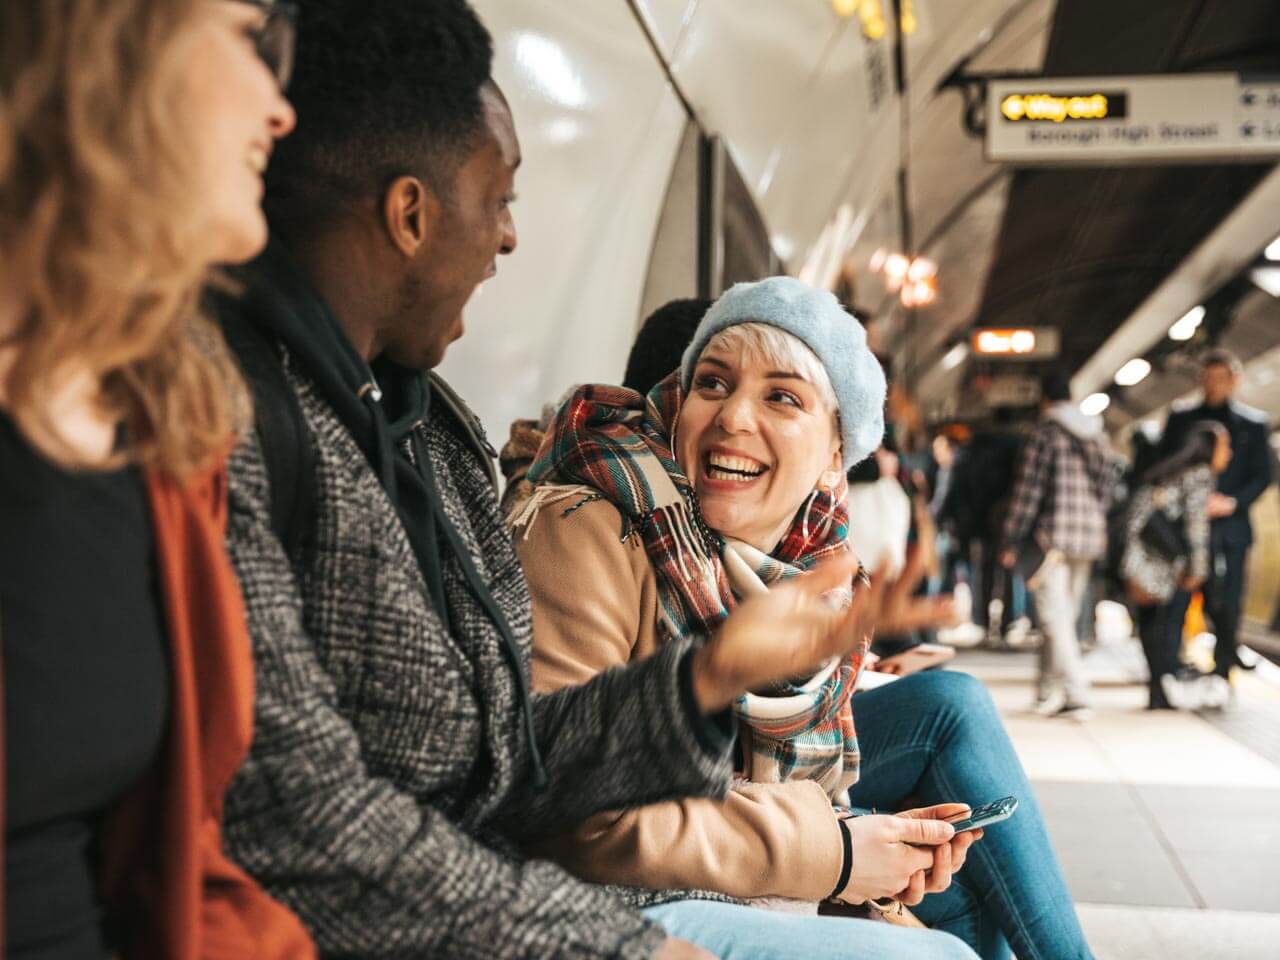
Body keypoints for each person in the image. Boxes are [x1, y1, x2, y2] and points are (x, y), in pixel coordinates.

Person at [215, 4, 874, 958]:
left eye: (784, 400)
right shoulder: (248, 427)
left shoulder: (434, 432)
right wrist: (624, 948)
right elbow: (316, 829)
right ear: (410, 213)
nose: (511, 238)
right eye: (501, 198)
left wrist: (707, 678)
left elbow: (500, 759)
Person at [515, 278, 1096, 960]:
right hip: (599, 904)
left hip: (724, 859)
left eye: (782, 397)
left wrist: (870, 860)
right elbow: (563, 806)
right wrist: (840, 853)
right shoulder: (585, 524)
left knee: (957, 887)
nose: (734, 417)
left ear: (834, 455)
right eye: (711, 383)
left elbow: (786, 779)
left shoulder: (812, 562)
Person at [0, 1, 313, 957]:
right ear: (103, 42)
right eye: (246, 36)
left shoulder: (156, 426)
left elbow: (174, 861)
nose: (280, 107)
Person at [1156, 349, 1273, 702]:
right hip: (1183, 530)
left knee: (1226, 602)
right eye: (1208, 377)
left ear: (1235, 380)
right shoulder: (1181, 419)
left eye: (1221, 377)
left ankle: (1222, 670)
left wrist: (1231, 502)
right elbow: (1163, 465)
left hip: (1231, 529)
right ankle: (1167, 672)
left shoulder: (1253, 425)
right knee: (1176, 600)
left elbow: (1263, 475)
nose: (1214, 384)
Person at [1001, 373, 1115, 719]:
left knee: (1054, 618)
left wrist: (1011, 537)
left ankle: (1077, 694)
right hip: (1088, 534)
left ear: (1044, 401)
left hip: (1051, 537)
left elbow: (1029, 490)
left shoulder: (1045, 433)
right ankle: (1046, 690)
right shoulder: (1098, 435)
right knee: (1066, 617)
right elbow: (1108, 485)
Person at [1122, 422, 1228, 709]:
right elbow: (1196, 525)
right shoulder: (1199, 475)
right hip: (1166, 560)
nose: (1228, 454)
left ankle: (1156, 689)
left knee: (1150, 622)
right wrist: (1198, 570)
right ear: (1209, 449)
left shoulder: (1168, 471)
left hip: (1143, 553)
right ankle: (1163, 688)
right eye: (1224, 446)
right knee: (1168, 622)